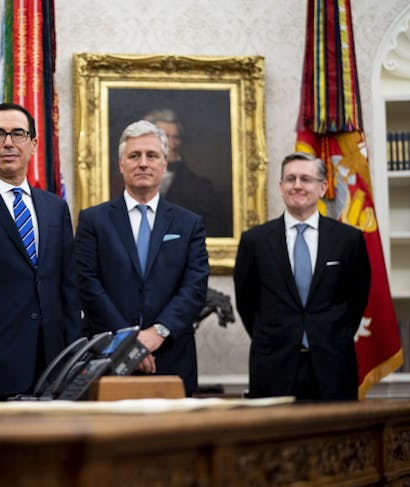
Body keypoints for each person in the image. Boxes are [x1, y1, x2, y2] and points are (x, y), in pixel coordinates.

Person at [0, 102, 81, 401]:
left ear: (33, 144)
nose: (8, 142)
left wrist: (75, 356)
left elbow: (68, 290)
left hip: (54, 362)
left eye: (18, 134)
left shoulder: (55, 207)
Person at [75, 120, 209, 396]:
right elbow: (87, 284)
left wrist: (156, 333)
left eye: (152, 156)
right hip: (108, 358)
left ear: (164, 163)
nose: (143, 163)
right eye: (134, 156)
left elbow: (194, 287)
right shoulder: (93, 221)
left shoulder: (189, 224)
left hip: (170, 358)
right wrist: (130, 342)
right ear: (121, 164)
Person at [234, 152, 371, 400]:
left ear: (322, 187)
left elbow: (357, 299)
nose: (297, 185)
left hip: (333, 366)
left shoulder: (348, 240)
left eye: (305, 179)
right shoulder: (254, 241)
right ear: (281, 187)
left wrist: (328, 334)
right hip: (273, 367)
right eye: (290, 179)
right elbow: (246, 302)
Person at [143, 108, 230, 236]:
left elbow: (212, 233)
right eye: (165, 137)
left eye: (176, 137)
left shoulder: (202, 187)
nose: (172, 144)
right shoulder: (132, 178)